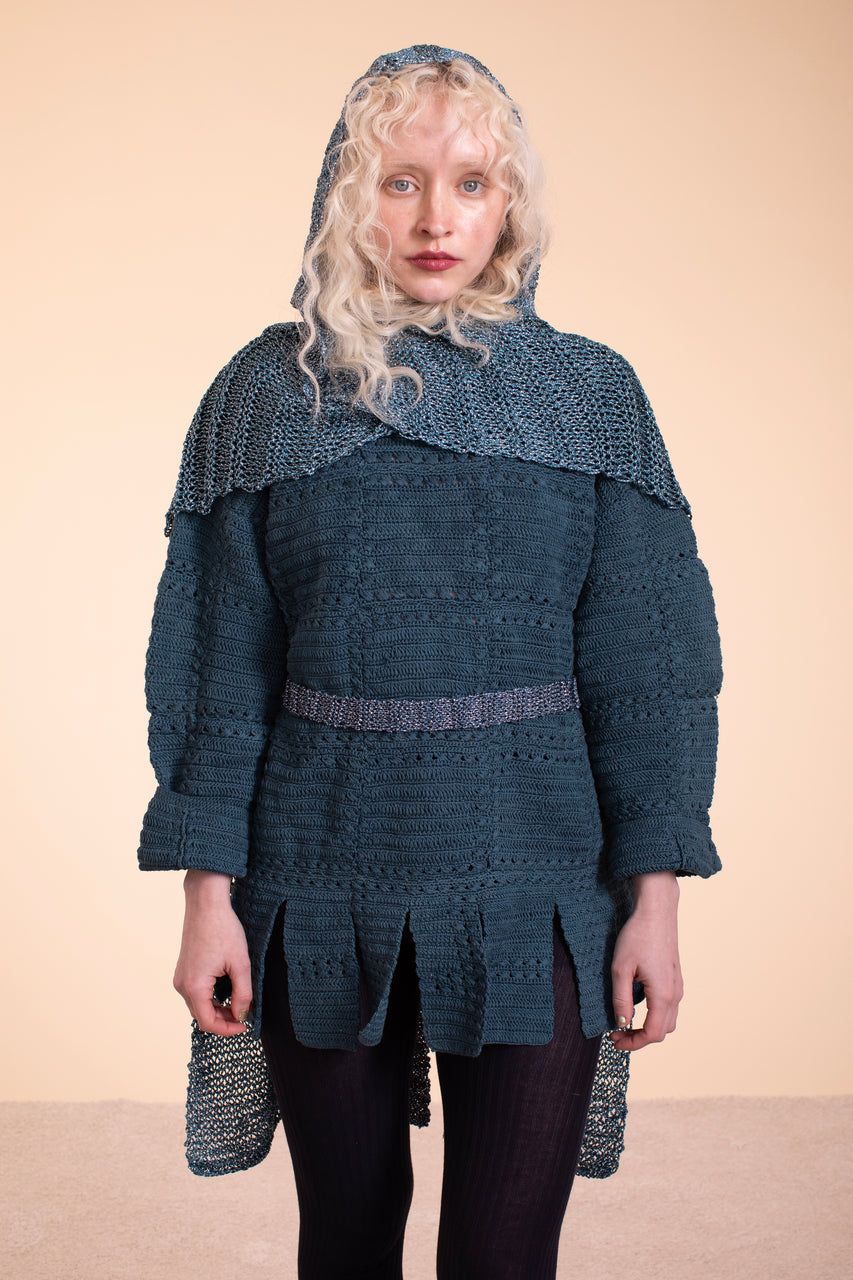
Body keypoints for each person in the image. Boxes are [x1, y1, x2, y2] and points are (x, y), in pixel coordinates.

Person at [139, 44, 722, 1279]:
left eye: (469, 182)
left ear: (510, 202)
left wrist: (656, 899)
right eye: (398, 182)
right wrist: (205, 896)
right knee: (347, 1240)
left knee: (503, 1255)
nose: (435, 218)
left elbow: (648, 669)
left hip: (541, 879)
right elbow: (217, 666)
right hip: (313, 877)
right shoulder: (266, 394)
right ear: (347, 196)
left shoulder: (587, 395)